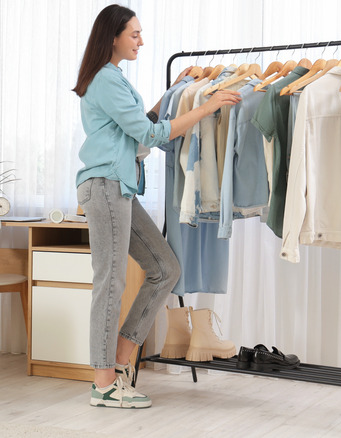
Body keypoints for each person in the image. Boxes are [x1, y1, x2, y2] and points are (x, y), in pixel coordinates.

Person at [73, 4, 241, 409]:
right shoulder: (105, 79)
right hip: (106, 188)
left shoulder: (111, 79)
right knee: (109, 283)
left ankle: (121, 358)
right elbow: (151, 132)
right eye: (134, 34)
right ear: (112, 36)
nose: (141, 41)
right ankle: (103, 382)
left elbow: (138, 123)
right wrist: (208, 105)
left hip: (120, 189)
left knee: (165, 268)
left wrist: (172, 93)